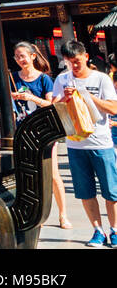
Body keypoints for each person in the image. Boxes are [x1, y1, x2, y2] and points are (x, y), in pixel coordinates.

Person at [49, 40, 117, 248]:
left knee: (111, 192)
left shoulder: (101, 79)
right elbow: (53, 108)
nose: (74, 66)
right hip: (75, 144)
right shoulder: (62, 79)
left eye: (77, 61)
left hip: (101, 142)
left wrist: (89, 96)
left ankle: (115, 230)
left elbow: (113, 108)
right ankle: (97, 230)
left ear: (85, 56)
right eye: (70, 62)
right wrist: (64, 97)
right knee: (85, 192)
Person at [11, 41, 69, 229]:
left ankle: (63, 214)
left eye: (23, 56)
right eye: (17, 56)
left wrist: (30, 98)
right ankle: (36, 215)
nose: (20, 60)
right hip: (23, 132)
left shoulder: (44, 79)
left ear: (33, 56)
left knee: (52, 175)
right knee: (28, 175)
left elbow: (50, 104)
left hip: (44, 132)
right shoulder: (13, 77)